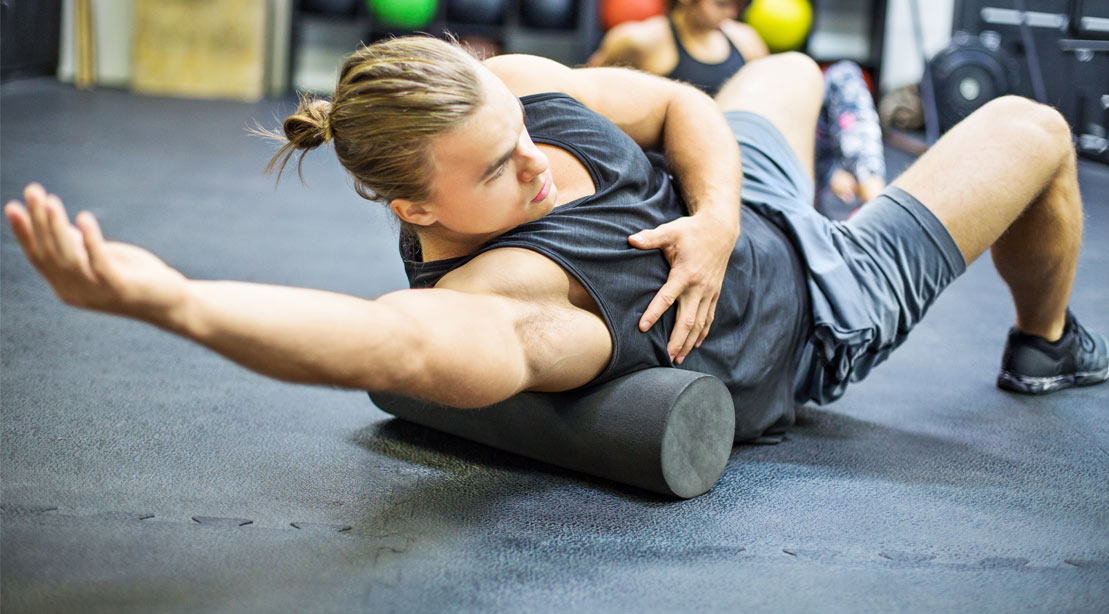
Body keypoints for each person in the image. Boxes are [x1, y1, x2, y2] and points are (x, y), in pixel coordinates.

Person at [4, 36, 1106, 443]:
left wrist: (713, 215)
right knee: (1032, 128)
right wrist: (170, 301)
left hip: (737, 205)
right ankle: (1043, 341)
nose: (533, 158)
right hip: (815, 301)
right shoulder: (512, 298)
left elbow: (681, 113)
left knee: (787, 71)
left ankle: (801, 178)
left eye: (518, 132)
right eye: (497, 169)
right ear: (417, 209)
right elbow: (381, 345)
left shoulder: (515, 91)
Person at [588, 0, 887, 217]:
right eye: (721, 4)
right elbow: (592, 99)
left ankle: (870, 195)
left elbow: (774, 108)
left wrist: (828, 166)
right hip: (687, 171)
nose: (731, 12)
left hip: (752, 160)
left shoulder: (746, 40)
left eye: (737, 4)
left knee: (844, 75)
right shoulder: (641, 41)